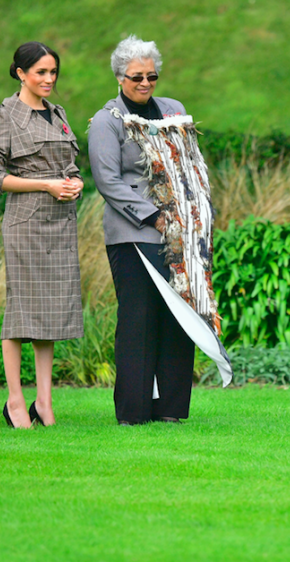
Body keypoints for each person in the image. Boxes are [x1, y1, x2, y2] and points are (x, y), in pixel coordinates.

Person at [89, 35, 198, 426]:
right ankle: (134, 413)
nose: (145, 83)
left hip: (179, 233)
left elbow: (188, 164)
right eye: (137, 76)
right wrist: (155, 216)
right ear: (120, 77)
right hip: (133, 234)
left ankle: (171, 410)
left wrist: (191, 212)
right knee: (139, 321)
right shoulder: (106, 121)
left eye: (152, 76)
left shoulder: (174, 110)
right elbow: (109, 182)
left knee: (178, 320)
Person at [0, 42, 83, 429]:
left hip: (61, 223)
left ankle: (45, 402)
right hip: (26, 225)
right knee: (22, 312)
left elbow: (69, 165)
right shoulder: (3, 115)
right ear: (21, 73)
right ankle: (15, 401)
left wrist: (73, 183)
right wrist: (47, 185)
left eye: (53, 72)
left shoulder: (58, 114)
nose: (49, 79)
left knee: (51, 313)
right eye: (41, 72)